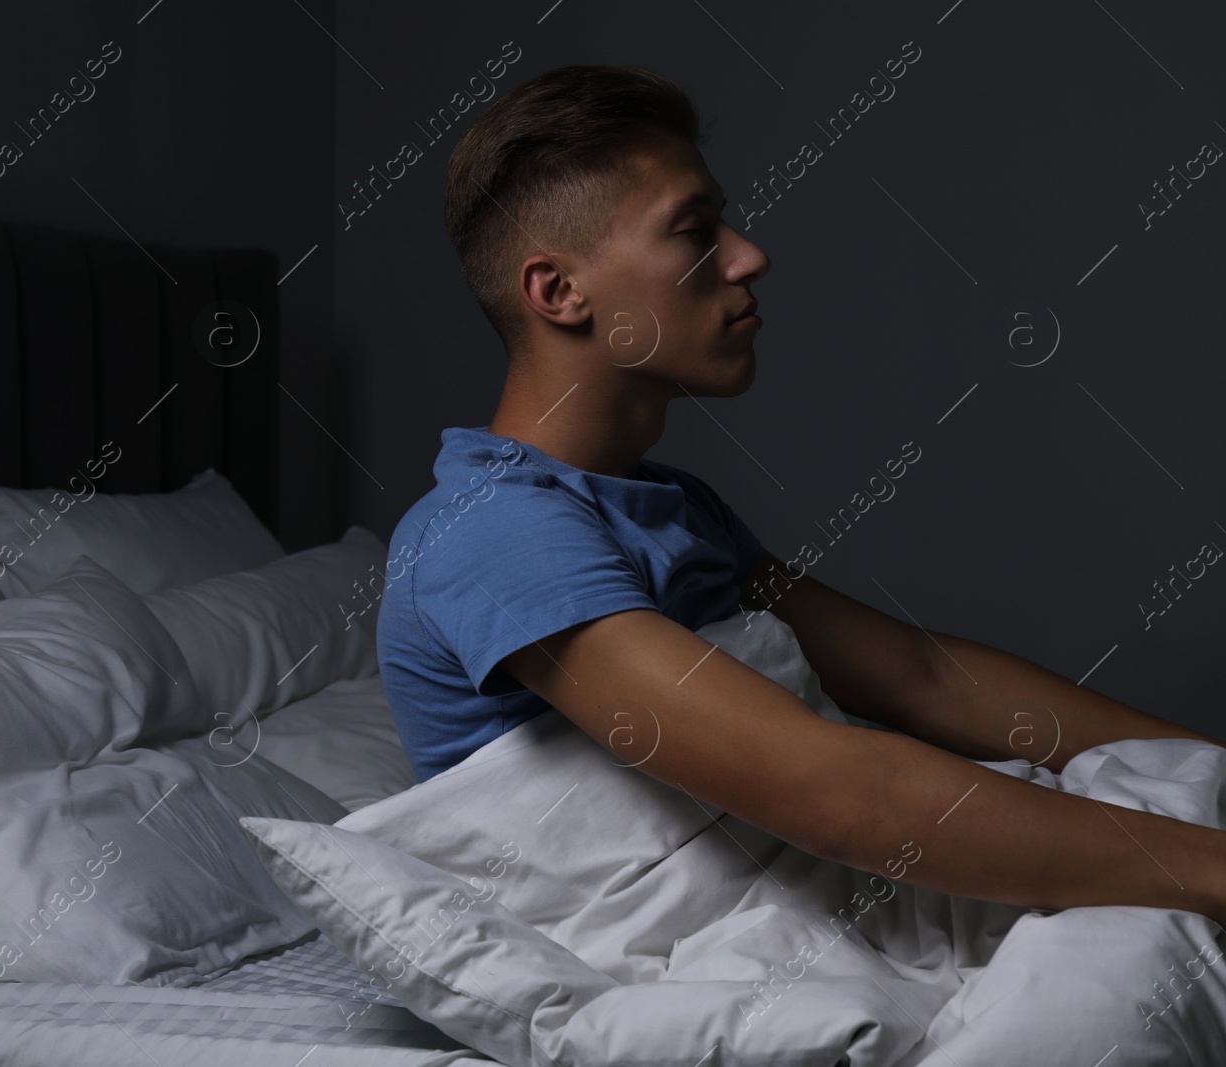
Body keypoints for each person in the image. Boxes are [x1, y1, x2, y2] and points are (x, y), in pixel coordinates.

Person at [374, 64, 1226, 926]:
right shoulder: (490, 530)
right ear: (560, 291)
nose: (749, 255)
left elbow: (922, 676)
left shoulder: (671, 504)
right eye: (695, 230)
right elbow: (831, 788)